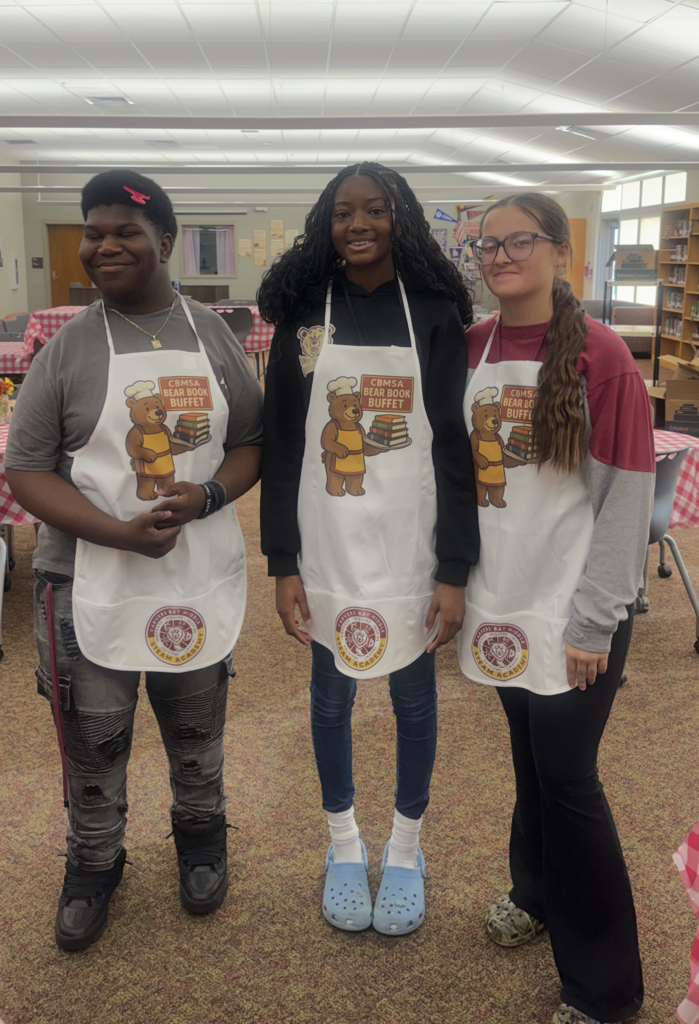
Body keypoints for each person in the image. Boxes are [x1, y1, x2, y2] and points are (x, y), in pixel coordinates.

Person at [6, 170, 263, 950]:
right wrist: (114, 532)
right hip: (82, 577)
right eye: (93, 231)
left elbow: (251, 443)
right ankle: (93, 861)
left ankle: (200, 834)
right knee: (95, 734)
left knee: (196, 728)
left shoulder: (215, 333)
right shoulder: (67, 348)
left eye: (124, 230)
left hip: (193, 568)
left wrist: (211, 498)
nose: (104, 245)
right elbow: (27, 469)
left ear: (165, 241)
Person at [258, 162, 478, 935]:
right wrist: (280, 562)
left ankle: (408, 847)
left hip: (411, 548)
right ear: (325, 223)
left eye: (374, 210)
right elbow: (284, 443)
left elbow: (455, 449)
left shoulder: (436, 312)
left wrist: (454, 570)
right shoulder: (305, 319)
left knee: (416, 701)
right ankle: (343, 845)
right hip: (326, 548)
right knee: (331, 697)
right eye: (342, 212)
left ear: (399, 219)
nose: (358, 224)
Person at [459, 193, 654, 1024]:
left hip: (575, 611)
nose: (499, 256)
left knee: (569, 781)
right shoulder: (469, 348)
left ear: (559, 252)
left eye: (517, 242)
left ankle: (604, 989)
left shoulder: (600, 357)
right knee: (529, 760)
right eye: (485, 245)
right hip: (499, 604)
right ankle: (534, 894)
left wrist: (592, 626)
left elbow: (624, 501)